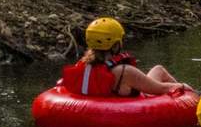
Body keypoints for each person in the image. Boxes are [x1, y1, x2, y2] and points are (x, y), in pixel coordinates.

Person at [61, 17, 191, 97]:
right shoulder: (124, 71)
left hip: (93, 110)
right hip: (122, 112)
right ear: (115, 44)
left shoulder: (82, 64)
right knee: (169, 81)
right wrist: (187, 89)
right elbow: (162, 89)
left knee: (158, 69)